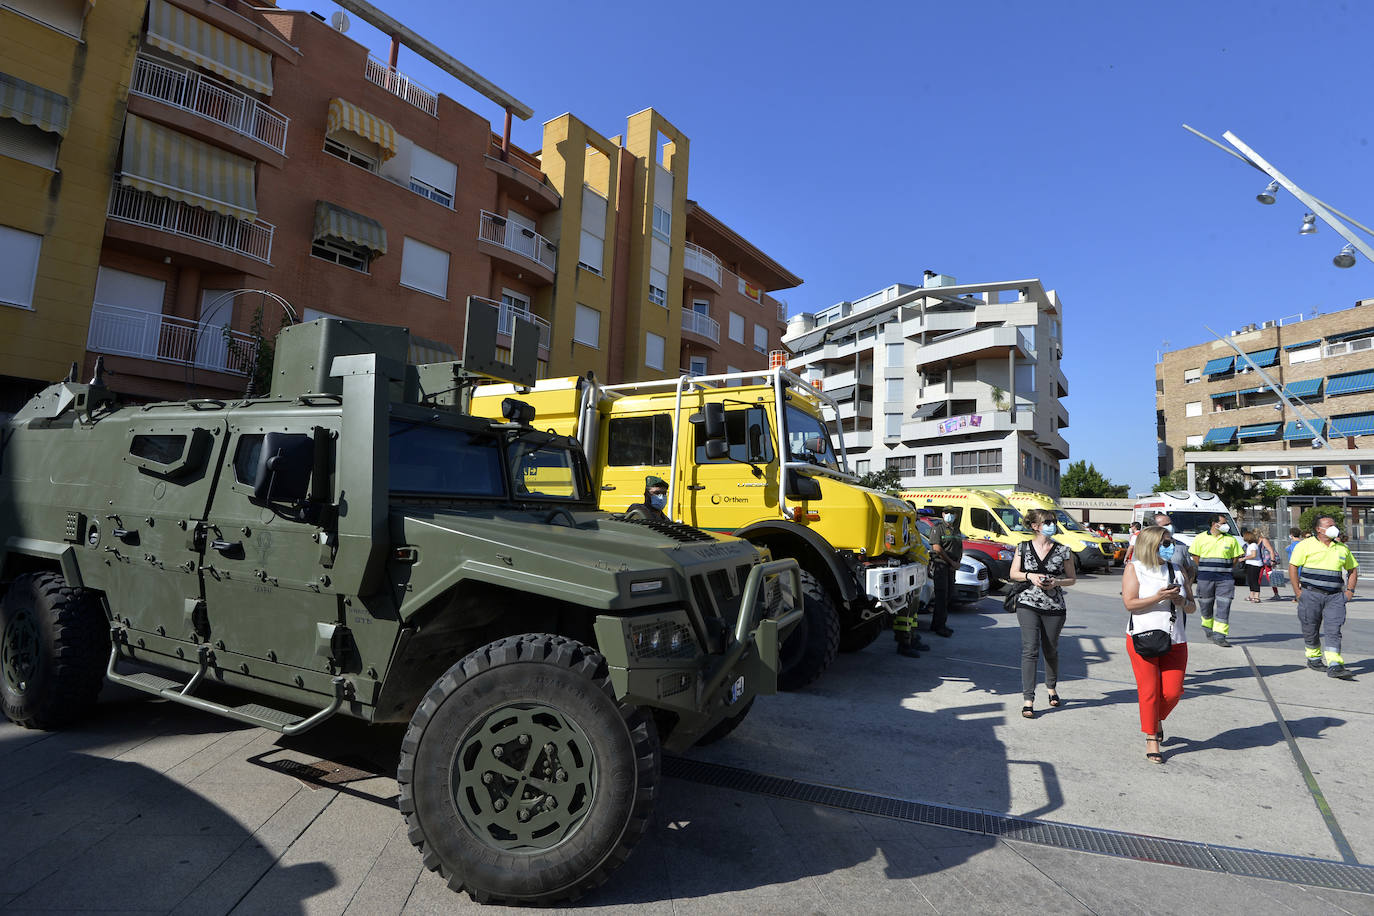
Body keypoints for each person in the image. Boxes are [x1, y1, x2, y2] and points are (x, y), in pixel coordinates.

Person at [1121, 525, 1195, 764]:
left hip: (1175, 639)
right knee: (1149, 691)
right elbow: (1130, 604)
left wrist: (1180, 599)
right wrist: (1159, 597)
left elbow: (1192, 607)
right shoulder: (1135, 569)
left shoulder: (1178, 569)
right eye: (1165, 543)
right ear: (1150, 544)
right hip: (1143, 637)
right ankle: (1152, 737)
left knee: (1173, 692)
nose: (1170, 547)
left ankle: (1154, 719)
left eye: (1170, 542)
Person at [1009, 508, 1075, 719]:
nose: (1052, 525)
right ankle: (1028, 700)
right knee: (1030, 649)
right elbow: (1013, 573)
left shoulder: (1064, 550)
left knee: (1051, 649)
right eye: (1047, 522)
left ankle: (1051, 687)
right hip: (1027, 603)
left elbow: (1072, 579)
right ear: (1035, 526)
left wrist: (1057, 582)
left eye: (1053, 521)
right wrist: (1030, 576)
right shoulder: (1023, 547)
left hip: (1054, 606)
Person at [1288, 516, 1359, 680]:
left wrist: (1350, 591)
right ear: (1319, 529)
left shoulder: (1342, 548)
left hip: (1335, 597)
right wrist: (1298, 592)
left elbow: (1353, 569)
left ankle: (1335, 665)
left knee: (1334, 629)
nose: (1334, 528)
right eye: (1330, 525)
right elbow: (1293, 567)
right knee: (1310, 627)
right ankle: (1314, 658)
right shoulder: (1305, 545)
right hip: (1310, 594)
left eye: (1334, 525)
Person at [1190, 514, 1244, 646]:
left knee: (1224, 606)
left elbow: (1236, 557)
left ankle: (1220, 635)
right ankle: (1208, 627)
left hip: (1225, 579)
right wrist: (1205, 567)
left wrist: (1227, 568)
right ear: (1215, 524)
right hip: (1205, 578)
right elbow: (1195, 556)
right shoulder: (1200, 538)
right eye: (1224, 523)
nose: (1227, 526)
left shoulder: (1231, 540)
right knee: (1206, 605)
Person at [925, 506, 963, 638]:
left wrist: (957, 562)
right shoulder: (938, 528)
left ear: (956, 516)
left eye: (952, 513)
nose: (950, 515)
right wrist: (951, 562)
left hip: (951, 567)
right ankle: (939, 627)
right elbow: (937, 548)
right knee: (941, 596)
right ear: (942, 514)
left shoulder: (956, 530)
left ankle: (938, 624)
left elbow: (959, 548)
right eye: (947, 512)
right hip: (941, 565)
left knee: (948, 596)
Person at [1241, 530, 1263, 603]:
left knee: (1254, 580)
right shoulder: (1250, 545)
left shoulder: (1253, 545)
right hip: (1250, 564)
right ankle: (1251, 595)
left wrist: (1244, 558)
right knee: (1250, 581)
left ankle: (1257, 597)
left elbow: (1253, 555)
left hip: (1255, 565)